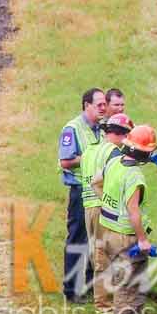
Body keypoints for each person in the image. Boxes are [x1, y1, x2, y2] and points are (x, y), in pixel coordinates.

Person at [100, 124, 157, 314]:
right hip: (127, 238)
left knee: (128, 283)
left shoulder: (114, 162)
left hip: (108, 232)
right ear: (145, 153)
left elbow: (97, 180)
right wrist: (143, 240)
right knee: (128, 286)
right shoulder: (135, 176)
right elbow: (133, 211)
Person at [59, 87, 105, 302]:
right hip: (80, 191)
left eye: (105, 104)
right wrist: (89, 158)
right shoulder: (72, 129)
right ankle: (72, 289)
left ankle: (88, 285)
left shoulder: (102, 128)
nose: (104, 108)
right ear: (87, 105)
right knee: (78, 238)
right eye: (100, 105)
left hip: (99, 192)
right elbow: (65, 161)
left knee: (95, 239)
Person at [86, 113, 134, 314]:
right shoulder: (114, 152)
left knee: (97, 253)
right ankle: (104, 305)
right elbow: (103, 181)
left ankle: (102, 301)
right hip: (103, 208)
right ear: (122, 134)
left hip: (88, 205)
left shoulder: (91, 149)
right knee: (106, 257)